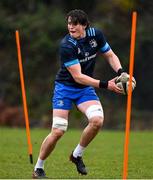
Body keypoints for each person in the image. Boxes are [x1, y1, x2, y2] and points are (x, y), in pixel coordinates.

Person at [32, 9, 126, 178]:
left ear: (84, 25)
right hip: (65, 88)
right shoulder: (66, 45)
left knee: (97, 121)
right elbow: (78, 77)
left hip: (84, 90)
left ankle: (76, 155)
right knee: (59, 130)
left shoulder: (96, 35)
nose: (71, 27)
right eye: (69, 24)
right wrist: (106, 85)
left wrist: (121, 72)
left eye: (75, 24)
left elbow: (110, 55)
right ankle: (38, 167)